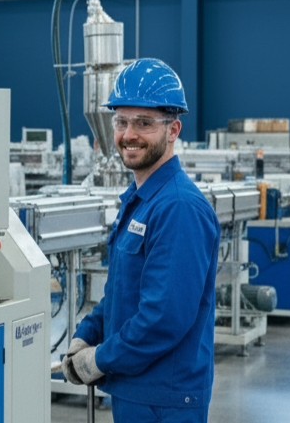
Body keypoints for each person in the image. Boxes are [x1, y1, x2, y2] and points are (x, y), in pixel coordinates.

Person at [62, 58, 221, 423]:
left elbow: (163, 317)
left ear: (173, 129)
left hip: (164, 399)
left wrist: (99, 359)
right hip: (134, 388)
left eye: (144, 123)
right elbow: (121, 290)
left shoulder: (179, 207)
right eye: (121, 121)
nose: (128, 134)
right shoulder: (140, 201)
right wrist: (86, 335)